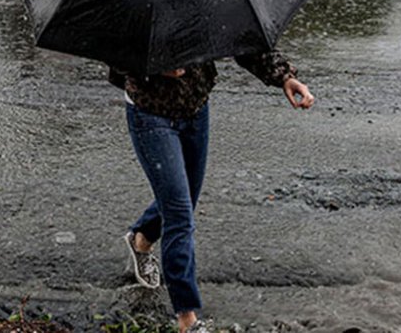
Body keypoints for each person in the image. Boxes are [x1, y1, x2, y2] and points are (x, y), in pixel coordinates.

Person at [110, 52, 314, 333]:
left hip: (195, 109)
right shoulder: (135, 8)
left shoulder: (200, 6)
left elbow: (241, 38)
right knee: (180, 216)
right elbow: (115, 51)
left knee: (185, 200)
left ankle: (141, 238)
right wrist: (155, 66)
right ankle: (187, 319)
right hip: (150, 113)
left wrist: (285, 78)